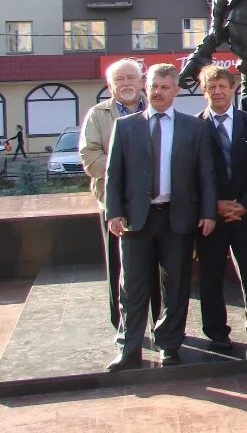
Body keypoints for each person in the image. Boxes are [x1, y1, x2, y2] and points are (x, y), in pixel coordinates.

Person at [104, 64, 217, 371]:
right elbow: (114, 175)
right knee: (132, 286)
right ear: (145, 87)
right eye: (153, 86)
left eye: (165, 87)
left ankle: (169, 344)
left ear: (175, 91)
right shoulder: (126, 126)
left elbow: (205, 174)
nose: (157, 92)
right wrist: (114, 212)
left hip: (176, 219)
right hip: (136, 220)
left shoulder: (193, 128)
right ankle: (128, 348)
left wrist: (208, 213)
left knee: (176, 286)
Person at [195, 65, 247, 352]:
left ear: (233, 89)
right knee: (211, 274)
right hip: (211, 214)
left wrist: (245, 204)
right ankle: (216, 331)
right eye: (211, 87)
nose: (217, 92)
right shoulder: (195, 126)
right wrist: (213, 205)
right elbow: (191, 174)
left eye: (222, 86)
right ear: (204, 92)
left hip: (245, 212)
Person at [80, 58, 160, 329]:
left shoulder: (157, 109)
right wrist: (129, 171)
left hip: (154, 202)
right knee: (119, 267)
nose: (126, 84)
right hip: (114, 203)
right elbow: (90, 158)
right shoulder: (98, 115)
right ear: (110, 86)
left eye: (131, 78)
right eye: (119, 80)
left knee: (154, 267)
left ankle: (157, 323)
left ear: (142, 82)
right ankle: (122, 326)